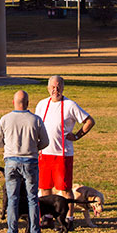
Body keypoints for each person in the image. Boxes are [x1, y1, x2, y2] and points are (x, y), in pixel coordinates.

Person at [35, 75, 95, 222]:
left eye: (58, 87)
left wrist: (77, 136)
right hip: (44, 153)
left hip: (63, 154)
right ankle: (47, 216)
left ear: (63, 87)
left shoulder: (70, 105)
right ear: (48, 88)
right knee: (44, 188)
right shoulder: (42, 104)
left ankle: (69, 218)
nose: (55, 90)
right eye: (53, 87)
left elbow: (89, 121)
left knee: (65, 189)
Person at [0, 89, 49, 233]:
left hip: (11, 161)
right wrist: (33, 146)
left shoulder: (5, 119)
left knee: (13, 199)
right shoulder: (35, 120)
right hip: (30, 161)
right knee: (32, 198)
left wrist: (9, 146)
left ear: (13, 102)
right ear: (28, 103)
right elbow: (45, 142)